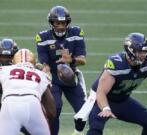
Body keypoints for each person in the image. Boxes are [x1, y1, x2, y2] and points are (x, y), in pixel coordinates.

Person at [84, 32, 147, 135]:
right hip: (100, 100)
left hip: (122, 100)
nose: (143, 55)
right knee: (95, 129)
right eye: (139, 52)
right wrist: (106, 109)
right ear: (129, 50)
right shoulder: (117, 64)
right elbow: (101, 92)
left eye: (145, 52)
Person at [35, 5, 87, 135]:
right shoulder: (43, 37)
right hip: (53, 77)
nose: (60, 26)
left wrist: (72, 60)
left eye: (63, 23)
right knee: (55, 109)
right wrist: (44, 69)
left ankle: (77, 133)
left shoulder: (76, 33)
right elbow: (44, 63)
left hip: (71, 76)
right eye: (57, 23)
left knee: (83, 110)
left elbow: (83, 60)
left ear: (67, 22)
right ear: (51, 23)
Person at [0, 48, 56, 135]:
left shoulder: (3, 69)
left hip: (9, 102)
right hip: (32, 103)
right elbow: (52, 112)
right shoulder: (41, 74)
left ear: (13, 62)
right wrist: (47, 76)